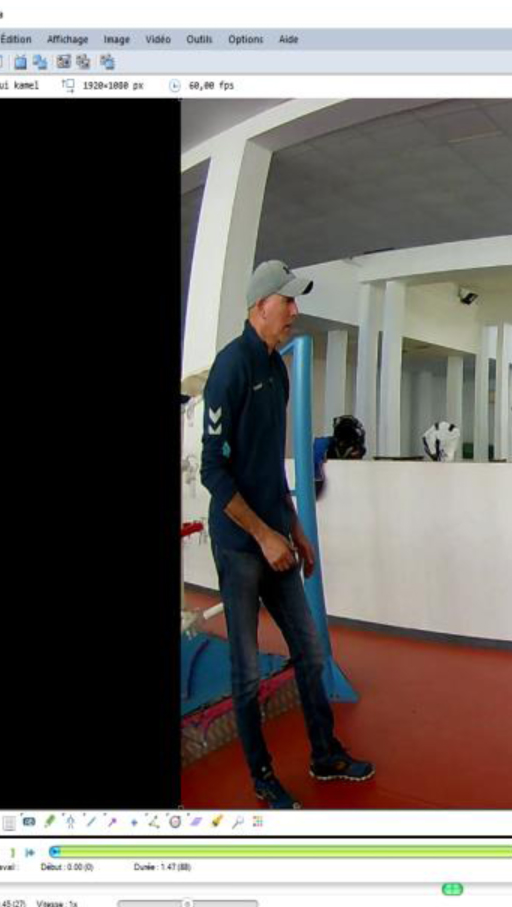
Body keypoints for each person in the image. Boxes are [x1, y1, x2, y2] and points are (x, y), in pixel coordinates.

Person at [200, 260, 375, 809]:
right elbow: (213, 471)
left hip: (276, 535)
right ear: (260, 307)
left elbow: (270, 467)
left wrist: (294, 529)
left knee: (311, 652)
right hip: (240, 545)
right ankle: (262, 776)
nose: (295, 311)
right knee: (247, 672)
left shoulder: (277, 369)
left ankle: (325, 755)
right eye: (287, 301)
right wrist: (263, 536)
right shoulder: (230, 368)